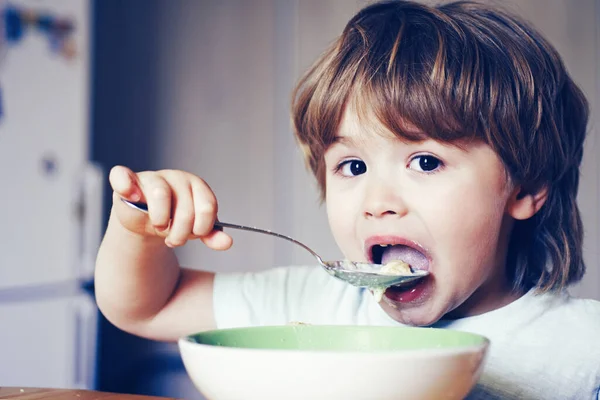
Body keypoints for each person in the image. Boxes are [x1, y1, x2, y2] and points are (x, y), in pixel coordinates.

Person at [94, 1, 600, 398]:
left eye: (425, 162)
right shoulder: (309, 307)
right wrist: (138, 231)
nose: (376, 201)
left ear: (527, 187)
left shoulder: (584, 349)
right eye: (352, 167)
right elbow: (147, 308)